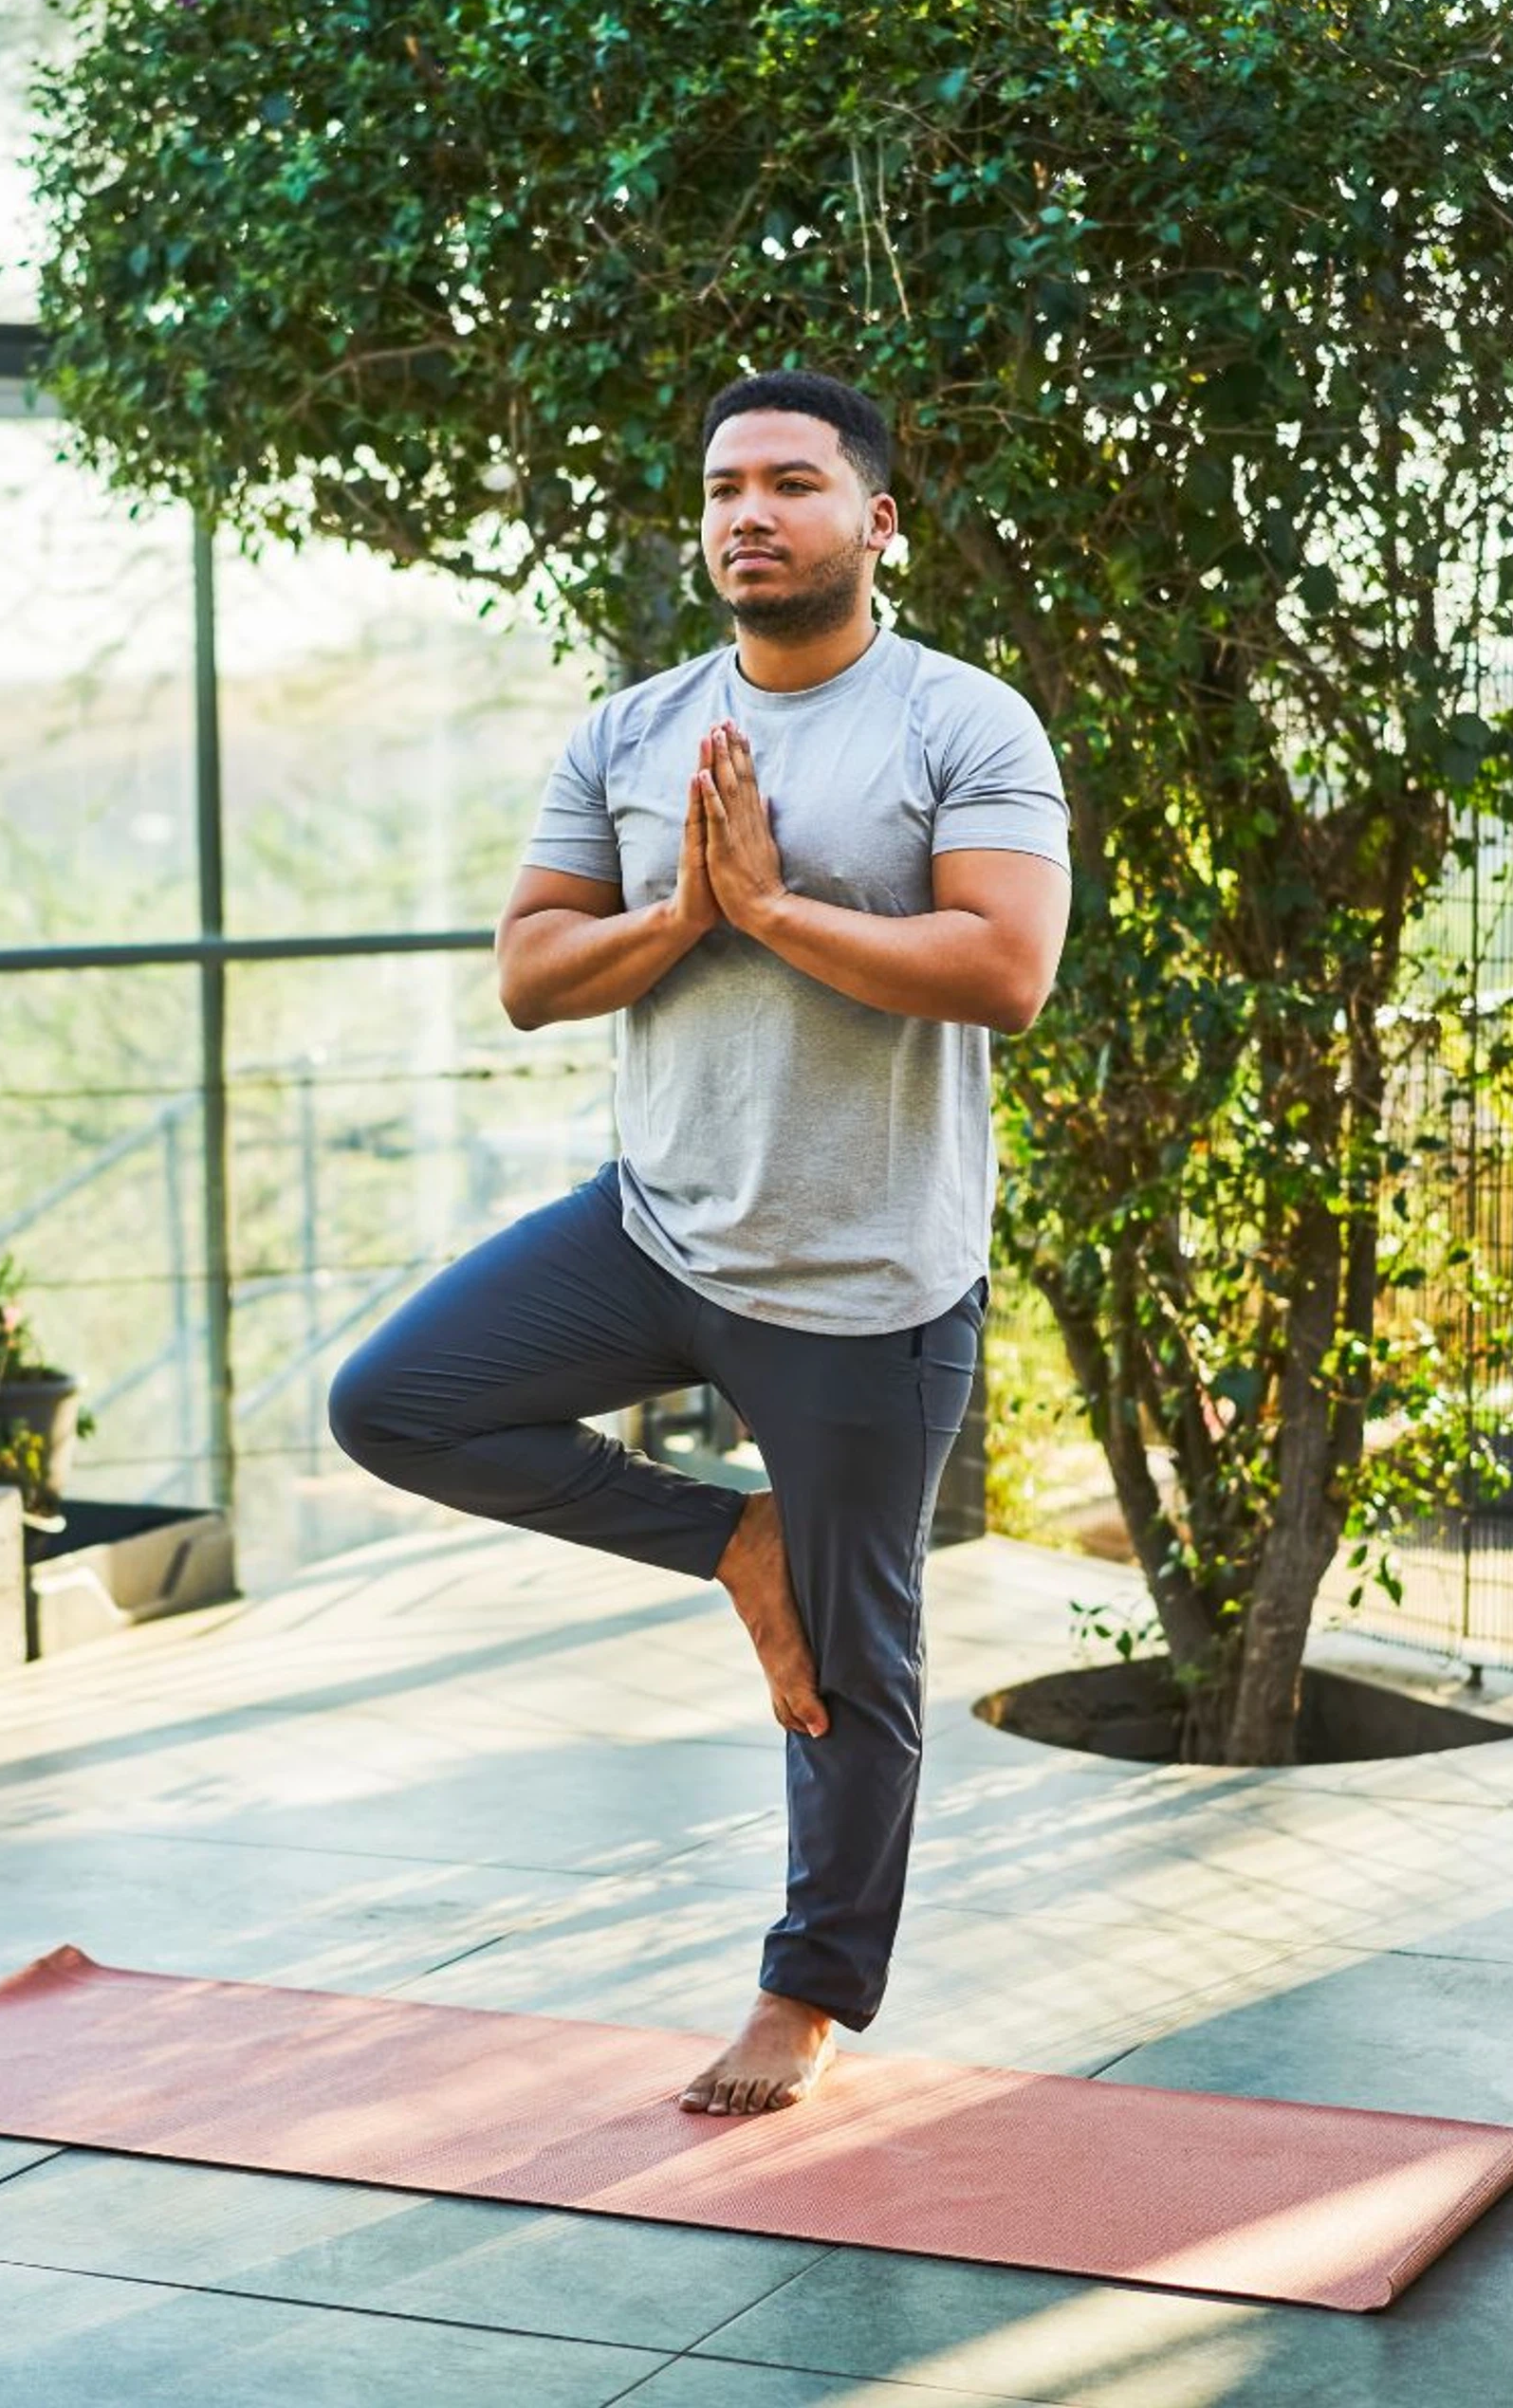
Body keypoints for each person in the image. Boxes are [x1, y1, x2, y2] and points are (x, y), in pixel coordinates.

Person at [325, 369, 1074, 2115]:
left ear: (876, 522)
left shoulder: (965, 724)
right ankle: (732, 1542)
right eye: (727, 486)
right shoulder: (631, 728)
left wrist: (776, 912)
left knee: (859, 1662)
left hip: (865, 1281)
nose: (750, 512)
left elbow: (1005, 971)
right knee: (395, 1402)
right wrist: (679, 915)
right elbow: (528, 974)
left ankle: (803, 2002)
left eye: (793, 485)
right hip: (653, 1227)